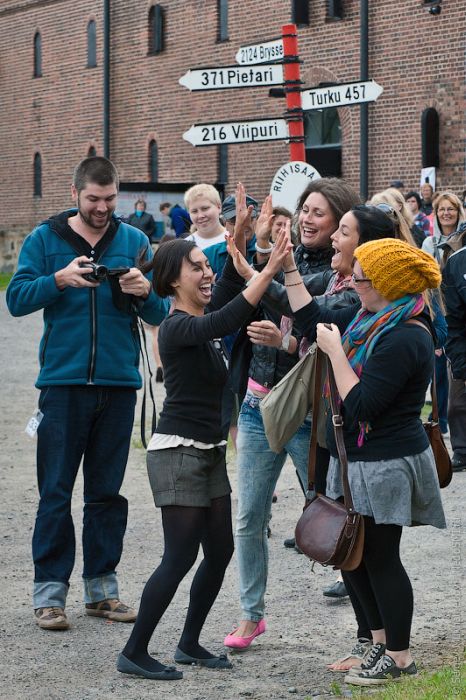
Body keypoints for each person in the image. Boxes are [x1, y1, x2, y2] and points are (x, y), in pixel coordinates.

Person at [116, 229, 294, 681]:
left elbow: (230, 296)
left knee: (219, 550)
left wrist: (242, 245)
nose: (206, 272)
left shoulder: (203, 316)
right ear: (174, 280)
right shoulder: (177, 327)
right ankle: (134, 651)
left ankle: (189, 643)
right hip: (178, 453)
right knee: (178, 557)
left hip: (209, 452)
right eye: (196, 266)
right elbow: (229, 315)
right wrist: (271, 268)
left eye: (206, 264)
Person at [6, 156, 169, 631]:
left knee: (106, 494)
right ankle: (49, 596)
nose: (102, 208)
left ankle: (102, 590)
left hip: (118, 386)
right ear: (74, 193)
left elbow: (161, 314)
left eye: (110, 199)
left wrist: (143, 292)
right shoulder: (44, 240)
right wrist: (58, 280)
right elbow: (16, 299)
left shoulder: (136, 241)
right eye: (94, 199)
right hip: (62, 385)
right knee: (55, 492)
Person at [280, 235, 446, 687]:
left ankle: (400, 656)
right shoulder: (370, 322)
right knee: (354, 557)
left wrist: (334, 353)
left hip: (387, 461)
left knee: (381, 557)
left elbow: (363, 406)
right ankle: (378, 642)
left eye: (362, 278)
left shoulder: (407, 335)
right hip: (356, 457)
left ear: (388, 285)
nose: (353, 283)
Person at [223, 178, 360, 649]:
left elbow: (294, 304)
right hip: (260, 402)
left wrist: (258, 268)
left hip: (307, 410)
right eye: (304, 209)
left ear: (339, 222)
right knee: (249, 515)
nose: (306, 219)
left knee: (330, 510)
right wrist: (257, 252)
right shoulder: (290, 257)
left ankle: (366, 616)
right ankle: (249, 615)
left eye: (319, 213)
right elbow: (260, 296)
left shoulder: (337, 272)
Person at [422, 191, 466, 434]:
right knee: (438, 371)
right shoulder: (430, 244)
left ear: (458, 212)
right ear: (436, 214)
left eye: (451, 209)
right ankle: (441, 422)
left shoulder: (464, 239)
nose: (446, 213)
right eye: (442, 209)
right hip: (439, 308)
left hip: (459, 306)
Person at [442, 229, 466, 471]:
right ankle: (462, 450)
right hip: (463, 351)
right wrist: (460, 366)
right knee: (457, 405)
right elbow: (453, 321)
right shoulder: (457, 262)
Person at [184, 184, 227, 250]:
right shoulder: (185, 246)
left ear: (219, 207)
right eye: (194, 211)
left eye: (205, 208)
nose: (200, 216)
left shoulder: (235, 239)